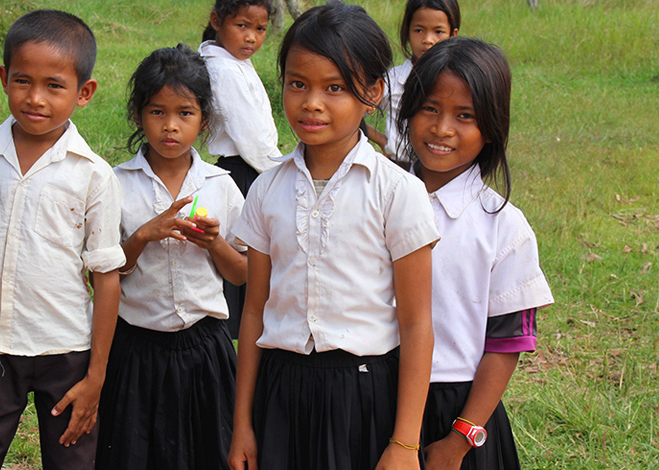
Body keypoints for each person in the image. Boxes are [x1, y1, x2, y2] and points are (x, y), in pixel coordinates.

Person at [227, 3, 441, 470]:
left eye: (335, 88)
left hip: (364, 393)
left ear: (373, 92)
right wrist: (242, 422)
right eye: (297, 84)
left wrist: (405, 444)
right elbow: (254, 312)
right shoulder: (266, 188)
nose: (311, 103)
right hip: (281, 390)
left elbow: (417, 324)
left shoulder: (397, 190)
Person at [0, 9, 125, 470]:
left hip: (67, 351)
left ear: (85, 93)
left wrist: (96, 376)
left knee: (72, 458)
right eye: (23, 81)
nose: (35, 98)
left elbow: (106, 278)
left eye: (54, 85)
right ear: (4, 78)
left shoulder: (93, 175)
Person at [396, 37, 554, 470]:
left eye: (464, 116)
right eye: (430, 108)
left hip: (456, 410)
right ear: (407, 110)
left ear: (491, 127)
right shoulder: (376, 197)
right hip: (373, 397)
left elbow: (506, 344)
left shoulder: (504, 227)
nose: (443, 129)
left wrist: (460, 440)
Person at [96, 44, 247, 470]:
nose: (170, 127)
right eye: (157, 112)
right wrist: (143, 236)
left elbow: (241, 274)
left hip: (206, 350)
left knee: (208, 451)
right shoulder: (115, 183)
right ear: (138, 115)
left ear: (205, 118)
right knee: (134, 452)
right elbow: (105, 276)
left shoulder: (220, 185)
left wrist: (214, 243)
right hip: (136, 349)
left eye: (185, 113)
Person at [199, 0, 281, 338]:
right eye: (242, 26)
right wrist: (281, 173)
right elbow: (251, 140)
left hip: (254, 169)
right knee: (248, 259)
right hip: (244, 173)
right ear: (217, 21)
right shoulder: (223, 70)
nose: (251, 38)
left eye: (260, 29)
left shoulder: (236, 63)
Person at [365, 0, 459, 166]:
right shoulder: (392, 81)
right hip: (399, 167)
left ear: (453, 35)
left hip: (442, 168)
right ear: (407, 32)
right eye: (419, 30)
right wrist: (381, 140)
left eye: (438, 31)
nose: (428, 39)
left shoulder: (459, 83)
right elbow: (354, 112)